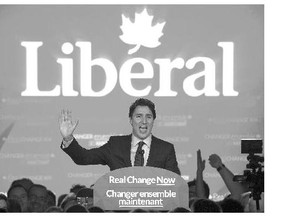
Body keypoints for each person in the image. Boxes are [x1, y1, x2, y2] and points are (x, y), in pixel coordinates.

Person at [59, 98, 181, 175]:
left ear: (153, 120)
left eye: (148, 117)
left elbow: (175, 183)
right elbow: (84, 158)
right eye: (138, 116)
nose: (144, 121)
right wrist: (68, 138)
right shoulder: (116, 145)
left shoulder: (166, 149)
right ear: (131, 120)